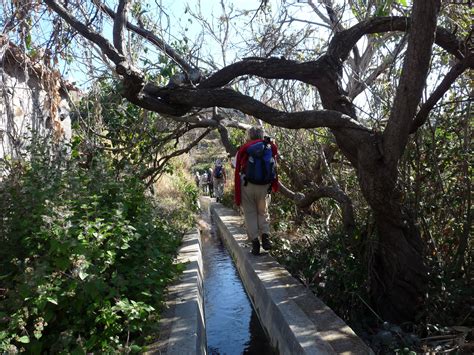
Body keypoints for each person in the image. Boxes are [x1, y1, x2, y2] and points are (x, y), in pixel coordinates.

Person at [234, 126, 278, 255]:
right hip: (265, 185)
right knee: (263, 211)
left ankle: (255, 243)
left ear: (249, 135)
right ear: (262, 134)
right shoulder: (270, 146)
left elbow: (236, 166)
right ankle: (265, 236)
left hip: (247, 185)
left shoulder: (245, 148)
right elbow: (275, 165)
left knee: (250, 213)